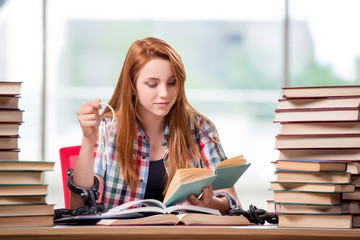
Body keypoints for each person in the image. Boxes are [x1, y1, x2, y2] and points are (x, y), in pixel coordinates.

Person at [72, 37, 240, 215]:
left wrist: (212, 203)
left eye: (172, 82)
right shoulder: (107, 129)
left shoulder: (199, 129)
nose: (164, 93)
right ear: (133, 85)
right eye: (152, 84)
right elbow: (78, 207)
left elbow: (232, 202)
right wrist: (88, 138)